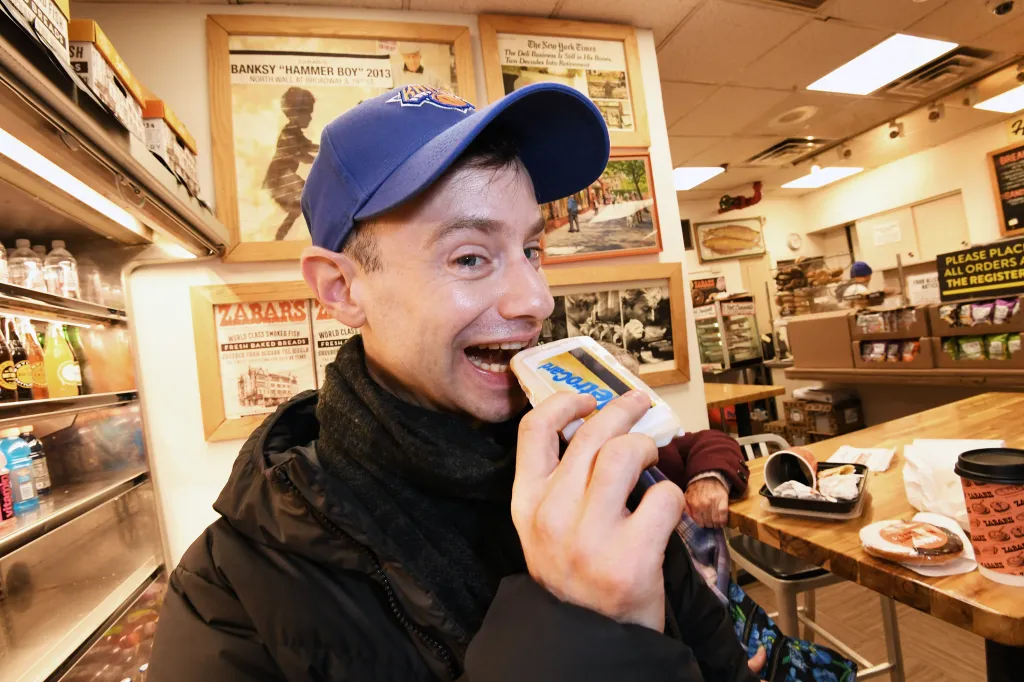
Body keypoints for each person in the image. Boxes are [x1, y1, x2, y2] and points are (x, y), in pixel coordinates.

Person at [148, 83, 759, 681]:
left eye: (530, 250)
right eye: (470, 257)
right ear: (342, 289)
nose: (537, 300)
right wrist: (580, 636)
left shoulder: (587, 465)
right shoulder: (228, 597)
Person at [264, 87, 320, 241]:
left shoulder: (296, 133)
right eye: (307, 113)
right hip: (280, 178)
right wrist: (322, 159)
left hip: (285, 177)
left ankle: (279, 236)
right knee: (307, 199)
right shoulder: (288, 133)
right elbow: (302, 155)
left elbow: (309, 147)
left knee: (298, 208)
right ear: (295, 113)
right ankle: (279, 235)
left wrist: (327, 147)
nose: (310, 118)